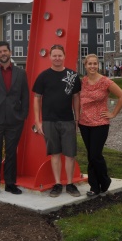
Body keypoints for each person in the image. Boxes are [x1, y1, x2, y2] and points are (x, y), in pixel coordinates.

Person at [33, 44, 82, 198]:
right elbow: (37, 99)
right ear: (50, 57)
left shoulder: (73, 76)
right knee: (55, 154)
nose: (57, 58)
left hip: (68, 120)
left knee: (70, 154)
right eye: (54, 55)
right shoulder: (43, 76)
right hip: (49, 121)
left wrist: (77, 118)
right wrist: (38, 120)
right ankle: (57, 184)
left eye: (59, 55)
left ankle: (70, 184)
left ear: (64, 56)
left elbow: (76, 98)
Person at [0, 41, 29, 196]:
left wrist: (22, 115)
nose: (3, 54)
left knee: (11, 153)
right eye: (0, 52)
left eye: (5, 51)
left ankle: (10, 184)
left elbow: (25, 96)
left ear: (10, 52)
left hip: (15, 120)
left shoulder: (21, 73)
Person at [78, 54, 122, 197]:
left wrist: (113, 114)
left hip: (100, 123)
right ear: (85, 65)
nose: (92, 66)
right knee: (90, 156)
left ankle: (105, 181)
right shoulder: (83, 81)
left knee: (95, 155)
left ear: (98, 65)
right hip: (84, 123)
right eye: (89, 64)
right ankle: (95, 187)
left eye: (95, 64)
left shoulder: (105, 82)